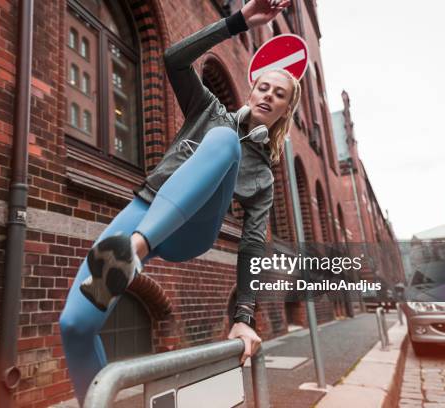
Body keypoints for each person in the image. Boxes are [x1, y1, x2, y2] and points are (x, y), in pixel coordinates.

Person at [59, 0, 301, 401]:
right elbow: (173, 59)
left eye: (279, 95)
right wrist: (238, 20)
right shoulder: (208, 109)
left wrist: (243, 318)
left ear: (284, 111)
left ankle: (131, 252)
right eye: (263, 87)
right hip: (146, 208)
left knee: (224, 140)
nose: (268, 96)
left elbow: (252, 248)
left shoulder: (263, 177)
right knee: (75, 325)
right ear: (252, 88)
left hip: (190, 232)